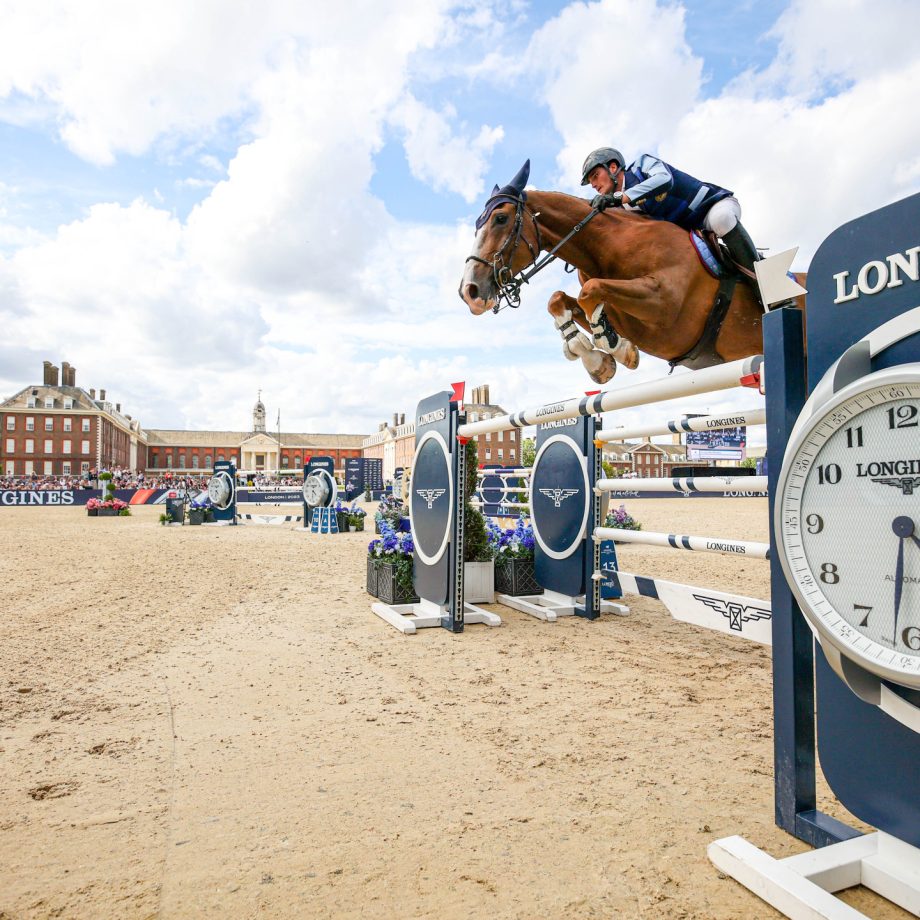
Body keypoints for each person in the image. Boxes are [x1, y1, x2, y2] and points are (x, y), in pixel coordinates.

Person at [579, 146, 760, 279]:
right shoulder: (618, 209)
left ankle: (765, 284)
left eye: (595, 176)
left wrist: (620, 197)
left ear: (612, 168)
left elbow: (664, 179)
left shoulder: (642, 165)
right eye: (590, 181)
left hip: (709, 208)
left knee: (723, 219)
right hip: (688, 235)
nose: (594, 184)